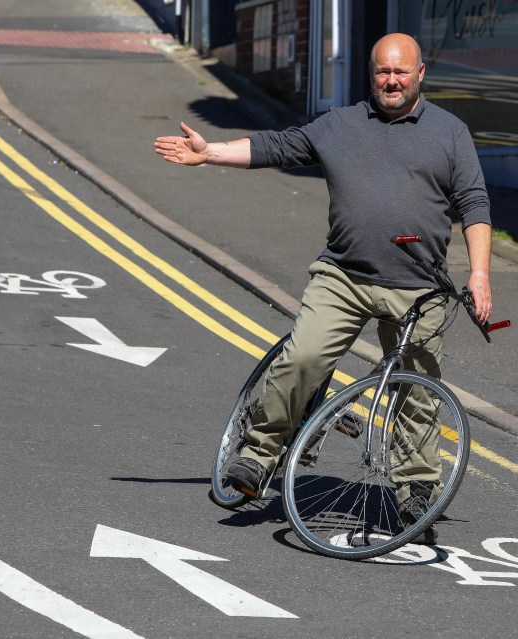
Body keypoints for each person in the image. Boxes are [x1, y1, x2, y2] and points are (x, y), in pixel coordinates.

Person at [155, 33, 492, 541]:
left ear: (421, 73)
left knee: (414, 387)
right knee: (304, 358)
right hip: (343, 277)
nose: (392, 81)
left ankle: (415, 490)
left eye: (401, 72)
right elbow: (276, 146)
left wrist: (481, 275)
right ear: (371, 74)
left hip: (418, 284)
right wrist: (211, 153)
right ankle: (258, 454)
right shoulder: (341, 125)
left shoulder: (450, 132)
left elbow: (475, 204)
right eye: (383, 72)